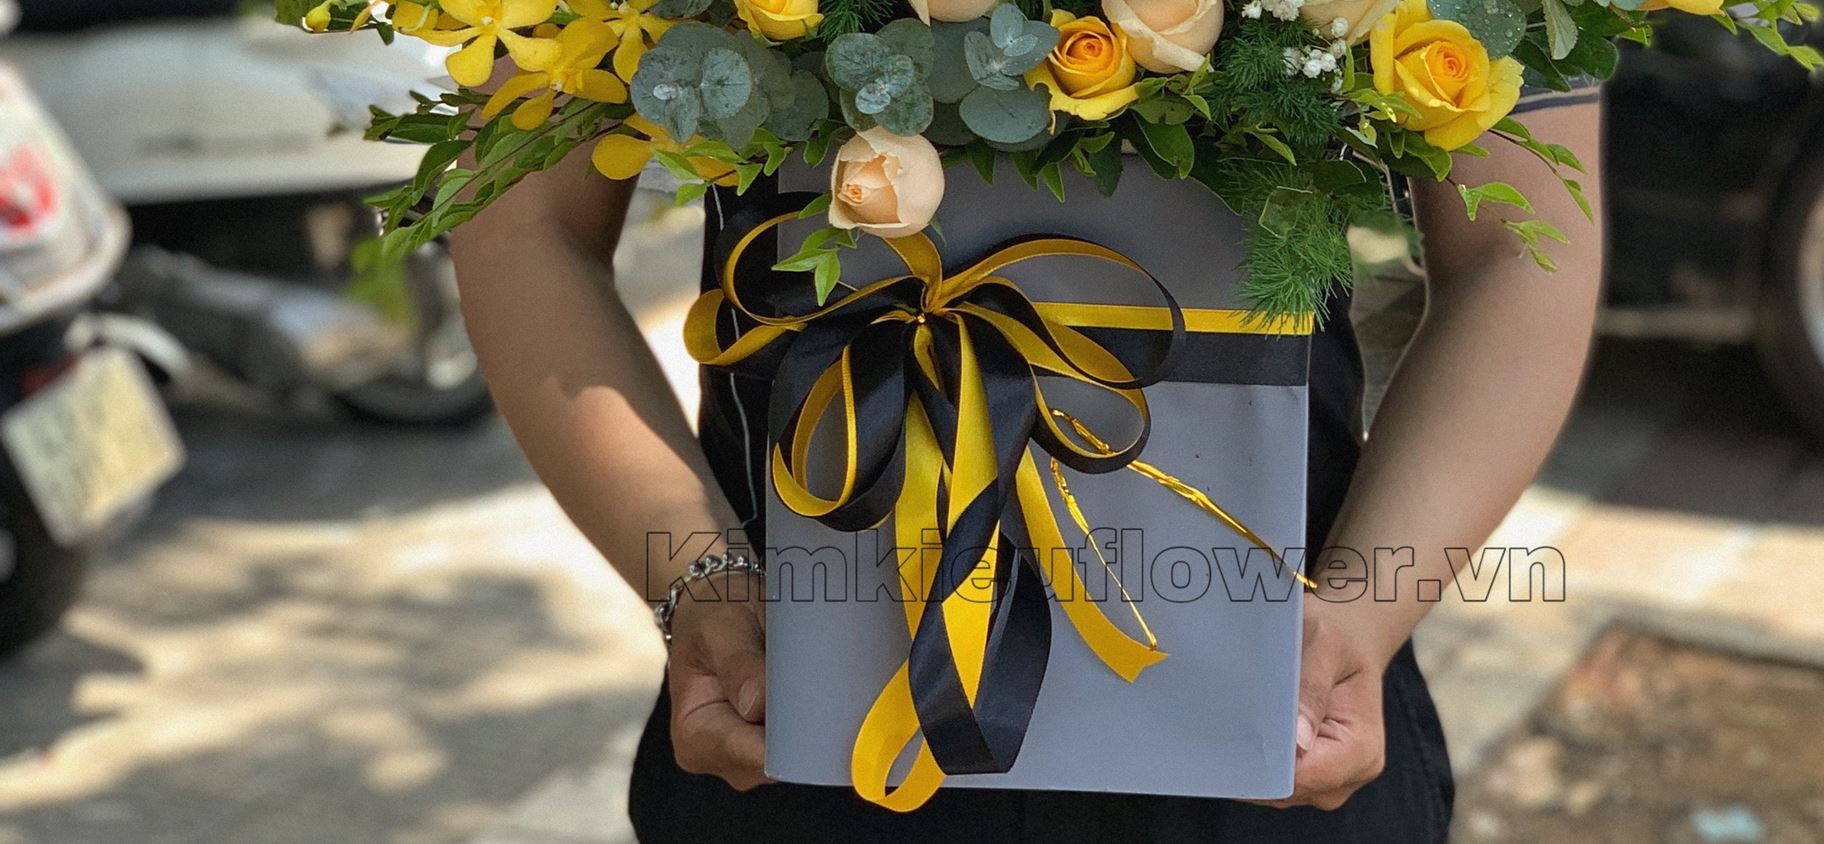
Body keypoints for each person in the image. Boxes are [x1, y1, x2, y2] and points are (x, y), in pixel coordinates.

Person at [451, 90, 1604, 840]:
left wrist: (1364, 614)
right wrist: (697, 586)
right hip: (795, 701)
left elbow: (1524, 248)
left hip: (1272, 696)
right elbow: (521, 224)